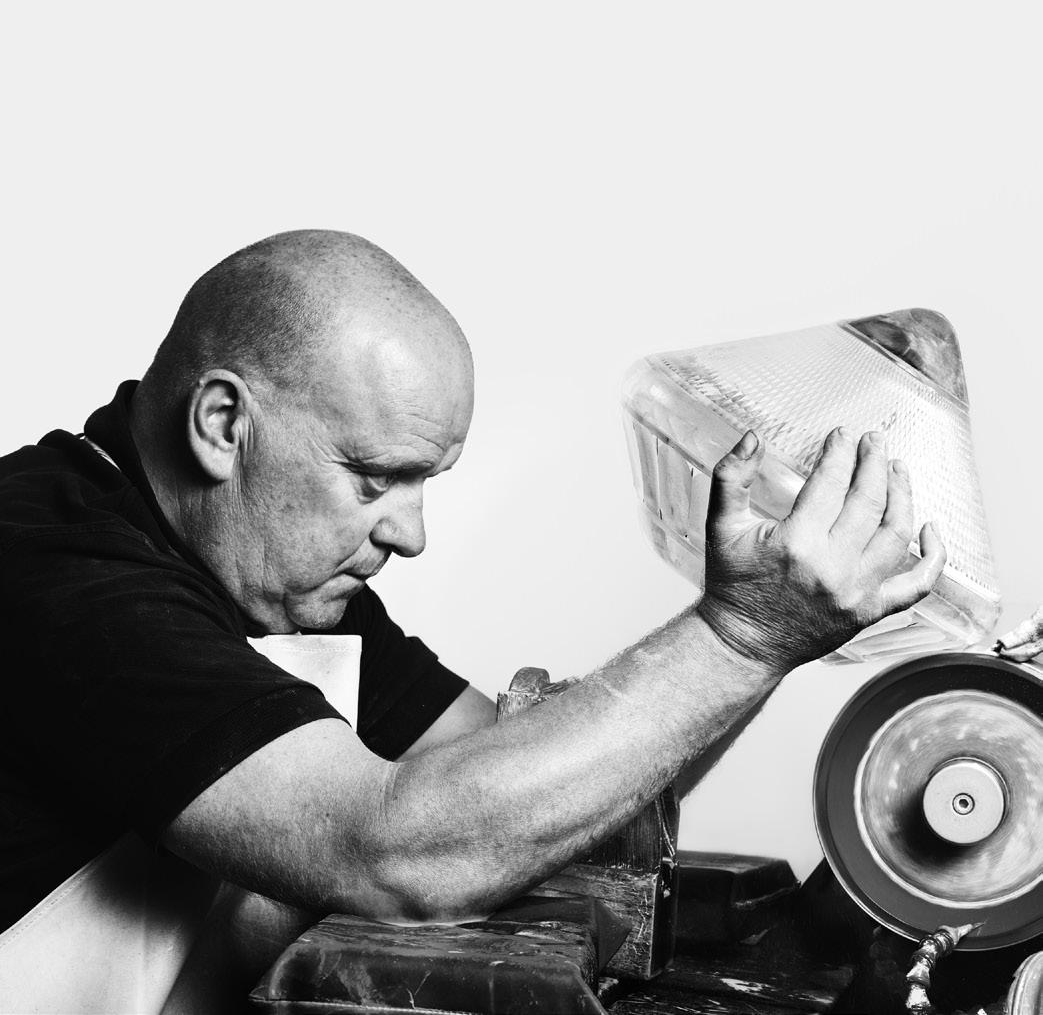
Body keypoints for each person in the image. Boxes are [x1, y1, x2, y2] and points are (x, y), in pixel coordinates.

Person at [0, 230, 945, 975]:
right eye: (375, 478)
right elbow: (397, 854)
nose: (409, 535)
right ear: (221, 424)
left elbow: (539, 807)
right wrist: (742, 638)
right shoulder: (52, 567)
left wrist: (770, 619)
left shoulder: (271, 570)